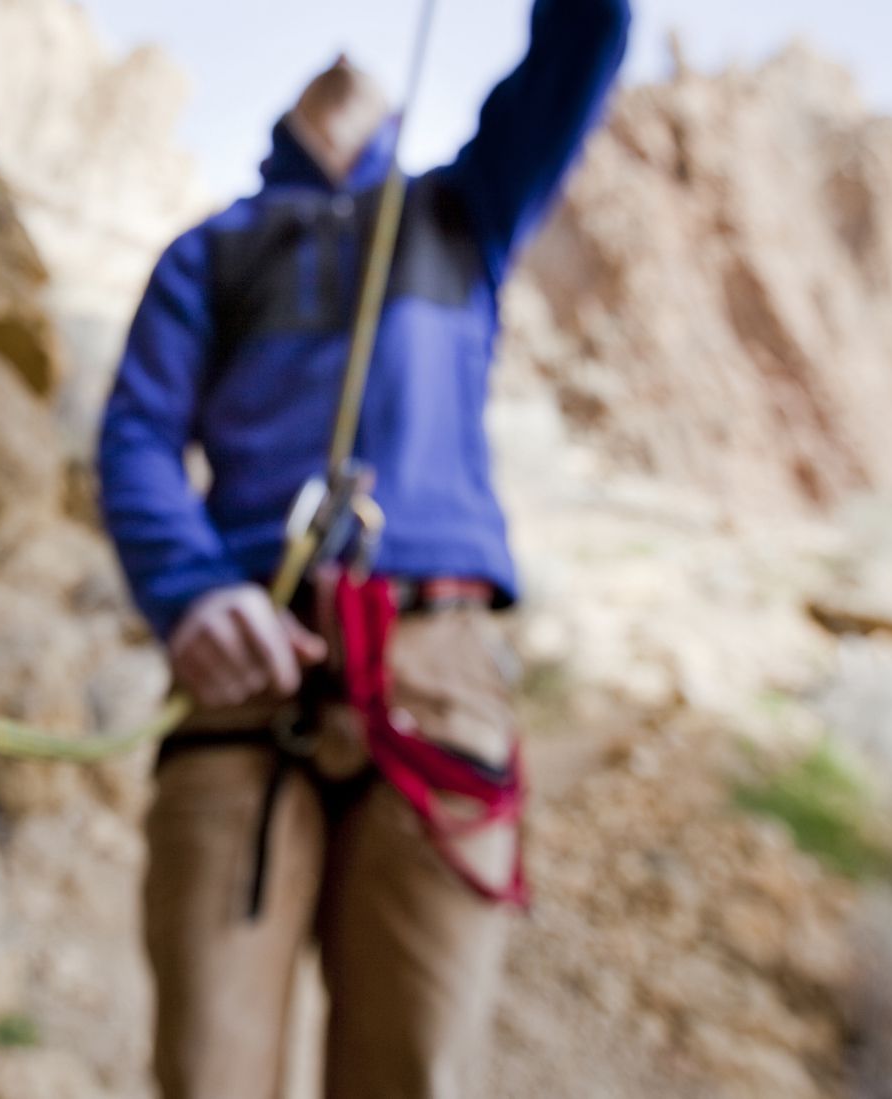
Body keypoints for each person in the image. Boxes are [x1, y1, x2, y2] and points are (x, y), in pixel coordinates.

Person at [96, 3, 631, 1096]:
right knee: (208, 1068)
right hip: (245, 658)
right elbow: (138, 434)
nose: (343, 81)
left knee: (417, 1069)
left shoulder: (459, 213)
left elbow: (584, 41)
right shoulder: (212, 251)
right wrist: (189, 591)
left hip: (435, 669)